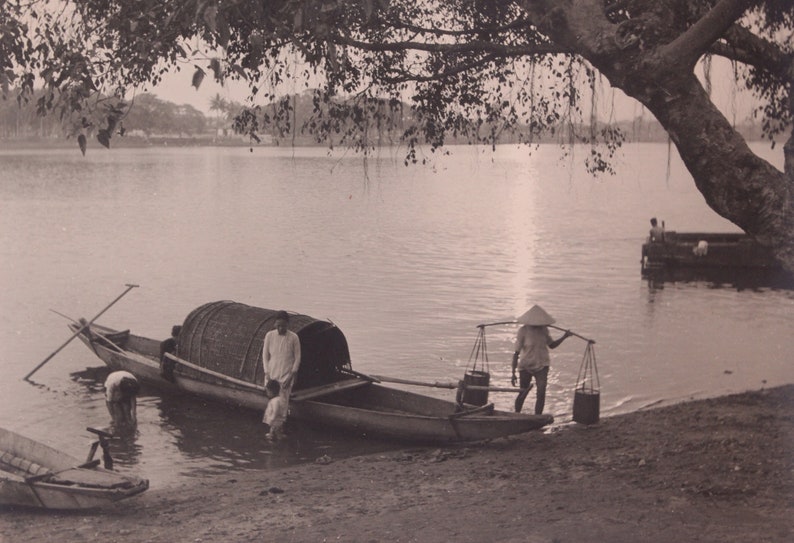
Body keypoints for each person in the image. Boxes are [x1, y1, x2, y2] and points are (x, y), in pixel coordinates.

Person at [511, 305, 572, 414]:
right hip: (526, 366)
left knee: (541, 392)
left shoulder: (544, 330)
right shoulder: (523, 331)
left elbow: (552, 345)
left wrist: (564, 336)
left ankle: (537, 416)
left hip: (542, 365)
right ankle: (516, 414)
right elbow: (516, 353)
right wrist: (513, 373)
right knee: (523, 392)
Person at [261, 310, 301, 435]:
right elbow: (265, 356)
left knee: (283, 404)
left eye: (283, 326)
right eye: (278, 325)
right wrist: (267, 372)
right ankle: (274, 429)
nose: (280, 328)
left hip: (286, 375)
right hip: (272, 374)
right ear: (275, 324)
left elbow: (297, 358)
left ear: (288, 324)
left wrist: (291, 375)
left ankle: (276, 430)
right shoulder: (269, 335)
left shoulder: (294, 337)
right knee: (273, 403)